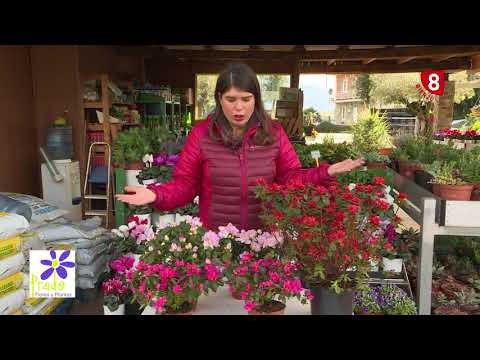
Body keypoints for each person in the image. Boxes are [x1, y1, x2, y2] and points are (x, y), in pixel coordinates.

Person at [115, 63, 364, 231]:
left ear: (256, 99)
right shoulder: (202, 134)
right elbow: (185, 185)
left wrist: (325, 172)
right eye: (231, 99)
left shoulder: (274, 132)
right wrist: (156, 194)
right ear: (219, 99)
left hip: (265, 238)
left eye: (246, 99)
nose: (239, 108)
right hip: (218, 240)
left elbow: (290, 178)